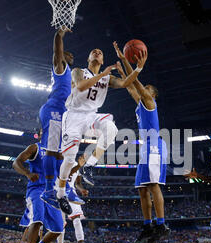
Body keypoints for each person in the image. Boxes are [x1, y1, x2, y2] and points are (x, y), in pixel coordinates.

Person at [53, 46, 148, 213]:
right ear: (89, 58)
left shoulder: (107, 78)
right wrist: (103, 74)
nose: (97, 52)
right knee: (69, 159)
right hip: (74, 116)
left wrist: (138, 68)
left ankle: (88, 166)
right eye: (94, 52)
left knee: (112, 129)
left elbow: (126, 83)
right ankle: (60, 194)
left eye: (100, 52)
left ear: (103, 60)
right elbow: (81, 86)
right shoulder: (78, 71)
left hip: (91, 115)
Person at [113, 41, 170, 243]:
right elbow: (130, 86)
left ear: (152, 94)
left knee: (153, 185)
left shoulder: (150, 101)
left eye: (147, 88)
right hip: (146, 147)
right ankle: (148, 225)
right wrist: (122, 61)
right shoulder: (140, 103)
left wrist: (135, 68)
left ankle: (161, 224)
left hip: (154, 145)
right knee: (142, 188)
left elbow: (136, 83)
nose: (143, 88)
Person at [13, 130, 80, 243]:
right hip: (36, 190)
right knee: (37, 220)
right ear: (40, 134)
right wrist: (27, 173)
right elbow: (16, 162)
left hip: (52, 192)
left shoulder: (58, 153)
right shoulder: (34, 148)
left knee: (58, 228)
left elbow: (64, 172)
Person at [39, 28, 82, 208]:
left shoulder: (69, 75)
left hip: (63, 113)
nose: (69, 54)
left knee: (61, 153)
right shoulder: (59, 67)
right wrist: (60, 35)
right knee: (51, 151)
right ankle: (49, 190)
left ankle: (60, 186)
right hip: (53, 110)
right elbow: (57, 50)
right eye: (66, 52)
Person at [56, 156, 91, 243]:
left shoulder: (77, 164)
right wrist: (78, 166)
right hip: (60, 193)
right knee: (60, 226)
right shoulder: (60, 162)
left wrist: (82, 190)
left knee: (77, 221)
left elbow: (77, 183)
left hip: (72, 193)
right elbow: (65, 177)